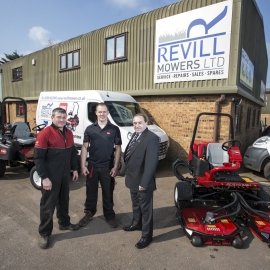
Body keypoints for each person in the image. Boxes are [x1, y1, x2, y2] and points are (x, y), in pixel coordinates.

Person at [34, 107, 80, 250]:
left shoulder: (69, 133)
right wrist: (44, 178)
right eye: (58, 117)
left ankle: (64, 223)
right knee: (48, 205)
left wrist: (74, 169)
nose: (61, 120)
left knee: (64, 200)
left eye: (63, 117)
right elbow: (38, 158)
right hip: (51, 176)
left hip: (65, 174)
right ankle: (45, 233)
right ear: (53, 117)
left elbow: (72, 153)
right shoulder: (44, 134)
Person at [79, 103, 122, 228]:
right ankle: (89, 213)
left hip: (107, 167)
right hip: (92, 166)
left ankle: (109, 216)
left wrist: (116, 166)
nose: (102, 114)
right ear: (96, 113)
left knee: (108, 193)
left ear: (108, 112)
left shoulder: (114, 129)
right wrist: (83, 165)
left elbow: (118, 148)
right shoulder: (90, 129)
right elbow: (84, 147)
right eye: (100, 112)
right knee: (90, 192)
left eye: (104, 111)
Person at [123, 113, 159, 249]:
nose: (137, 125)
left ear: (146, 123)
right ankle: (136, 224)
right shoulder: (135, 135)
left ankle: (146, 236)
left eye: (139, 123)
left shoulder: (151, 138)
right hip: (132, 179)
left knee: (146, 210)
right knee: (136, 205)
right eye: (134, 123)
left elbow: (151, 163)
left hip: (143, 182)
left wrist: (144, 183)